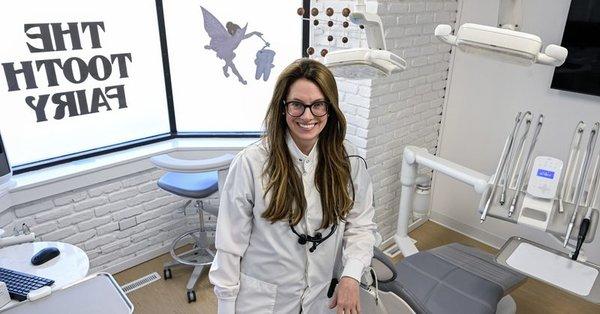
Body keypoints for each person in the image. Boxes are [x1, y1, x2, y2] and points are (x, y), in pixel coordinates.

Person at [209, 58, 376, 313]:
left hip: (319, 299)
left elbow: (361, 224)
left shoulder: (349, 161)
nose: (307, 116)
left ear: (330, 109)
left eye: (318, 105)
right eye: (297, 105)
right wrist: (225, 307)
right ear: (283, 107)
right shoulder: (250, 164)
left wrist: (351, 275)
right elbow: (229, 248)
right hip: (262, 302)